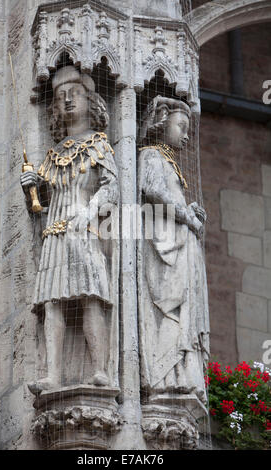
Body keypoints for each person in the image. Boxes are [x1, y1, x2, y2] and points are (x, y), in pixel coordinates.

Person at [20, 66, 119, 393]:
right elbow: (41, 202)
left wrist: (91, 211)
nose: (66, 100)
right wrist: (31, 187)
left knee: (90, 297)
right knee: (52, 301)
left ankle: (100, 369)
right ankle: (53, 374)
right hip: (55, 231)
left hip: (84, 228)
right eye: (61, 97)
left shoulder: (99, 144)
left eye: (74, 94)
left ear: (90, 101)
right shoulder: (54, 155)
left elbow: (112, 187)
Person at [138, 96, 210, 403]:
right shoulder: (151, 154)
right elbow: (151, 191)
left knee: (181, 312)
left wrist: (187, 210)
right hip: (163, 246)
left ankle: (182, 375)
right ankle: (163, 375)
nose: (185, 134)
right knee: (169, 307)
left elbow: (168, 198)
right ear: (162, 122)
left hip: (179, 243)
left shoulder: (168, 160)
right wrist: (185, 215)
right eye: (181, 126)